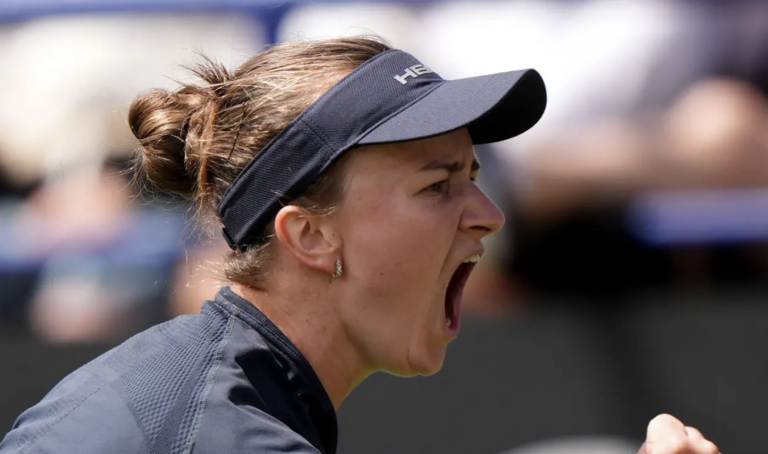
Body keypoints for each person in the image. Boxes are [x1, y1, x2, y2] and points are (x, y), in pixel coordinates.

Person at [0, 37, 719, 454]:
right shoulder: (228, 435)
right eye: (438, 186)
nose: (490, 215)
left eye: (473, 176)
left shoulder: (208, 391)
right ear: (309, 235)